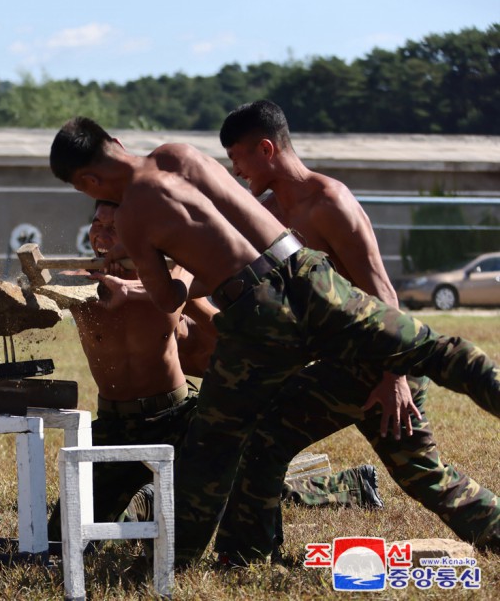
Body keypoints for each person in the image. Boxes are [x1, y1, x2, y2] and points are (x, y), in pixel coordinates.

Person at [48, 116, 500, 566]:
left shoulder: (132, 216)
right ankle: (245, 549)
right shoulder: (178, 155)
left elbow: (169, 298)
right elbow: (230, 237)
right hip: (304, 274)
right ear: (118, 142)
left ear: (88, 180)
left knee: (211, 448)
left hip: (257, 316)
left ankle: (169, 562)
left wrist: (145, 275)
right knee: (433, 349)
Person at [0, 201, 381, 546]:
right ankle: (147, 503)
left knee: (232, 488)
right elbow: (33, 308)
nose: (103, 234)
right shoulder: (79, 285)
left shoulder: (172, 276)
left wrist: (174, 299)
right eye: (97, 224)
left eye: (114, 226)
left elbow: (223, 327)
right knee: (62, 540)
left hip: (176, 420)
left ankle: (341, 487)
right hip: (115, 426)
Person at [213, 100, 500, 563]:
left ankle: (244, 552)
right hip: (340, 366)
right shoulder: (267, 210)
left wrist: (396, 378)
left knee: (424, 477)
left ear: (266, 149)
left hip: (380, 364)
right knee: (266, 437)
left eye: (237, 158)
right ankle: (245, 552)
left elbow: (383, 291)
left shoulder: (329, 203)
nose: (235, 170)